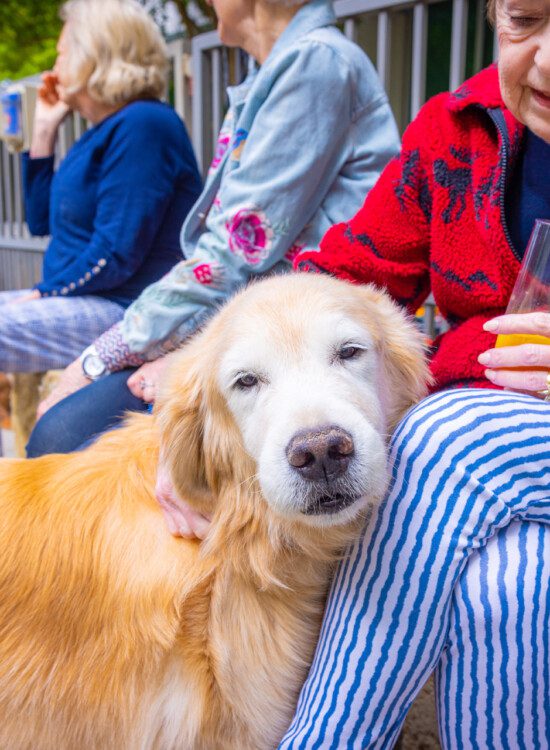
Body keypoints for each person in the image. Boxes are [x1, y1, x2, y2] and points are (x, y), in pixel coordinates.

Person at [135, 0, 550, 746]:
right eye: (527, 21)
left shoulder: (318, 65)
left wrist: (458, 356)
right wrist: (197, 380)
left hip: (476, 438)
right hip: (506, 439)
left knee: (447, 431)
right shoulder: (456, 131)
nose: (548, 61)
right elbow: (346, 273)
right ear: (494, 14)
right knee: (508, 587)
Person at [27, 0, 400, 455]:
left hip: (304, 336)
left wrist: (97, 358)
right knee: (63, 434)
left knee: (64, 435)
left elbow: (235, 249)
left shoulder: (315, 61)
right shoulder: (280, 69)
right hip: (261, 325)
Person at [0, 0, 202, 374]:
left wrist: (46, 292)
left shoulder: (145, 124)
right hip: (87, 298)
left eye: (63, 54)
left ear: (93, 55)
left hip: (125, 308)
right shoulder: (101, 132)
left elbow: (116, 253)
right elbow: (41, 221)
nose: (55, 66)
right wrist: (43, 130)